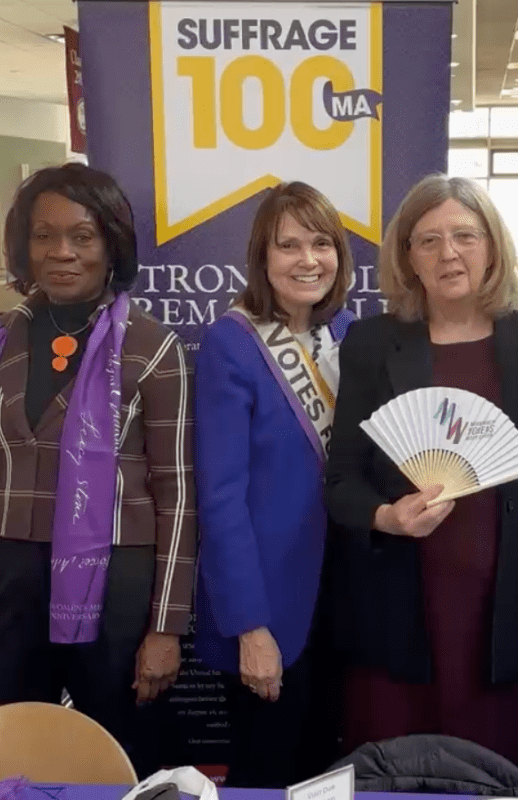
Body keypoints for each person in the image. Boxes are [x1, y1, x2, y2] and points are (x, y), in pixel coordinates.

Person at [0, 163, 197, 770]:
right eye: (43, 236)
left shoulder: (151, 345)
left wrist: (166, 627)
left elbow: (177, 496)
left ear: (111, 245)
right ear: (23, 247)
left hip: (114, 579)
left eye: (83, 236)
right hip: (7, 575)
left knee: (118, 750)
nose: (62, 252)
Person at [324, 174, 518, 774]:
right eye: (429, 241)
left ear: (494, 247)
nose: (449, 254)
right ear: (407, 258)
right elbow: (341, 482)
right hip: (399, 606)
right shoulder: (372, 344)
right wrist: (386, 518)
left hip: (502, 613)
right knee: (396, 773)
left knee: (491, 775)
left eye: (465, 236)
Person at [193, 181, 355, 787]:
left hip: (337, 601)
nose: (307, 259)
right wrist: (249, 626)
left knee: (325, 773)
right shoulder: (231, 344)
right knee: (267, 772)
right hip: (268, 607)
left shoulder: (345, 337)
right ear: (263, 257)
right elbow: (220, 497)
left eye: (321, 243)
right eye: (289, 245)